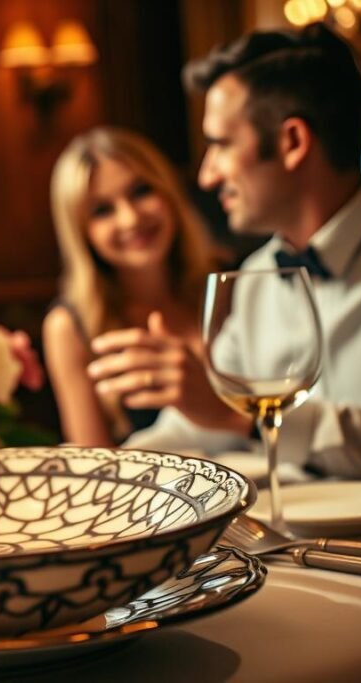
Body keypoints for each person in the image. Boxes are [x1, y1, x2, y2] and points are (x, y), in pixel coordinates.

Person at [102, 22, 361, 483]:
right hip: (292, 546)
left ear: (292, 142)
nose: (206, 176)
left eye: (220, 144)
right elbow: (198, 423)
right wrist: (105, 472)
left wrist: (249, 414)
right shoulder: (255, 274)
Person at [43, 127, 219, 446]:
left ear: (169, 192)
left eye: (140, 191)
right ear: (81, 233)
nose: (130, 218)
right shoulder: (68, 326)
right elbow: (94, 468)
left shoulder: (230, 283)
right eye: (102, 210)